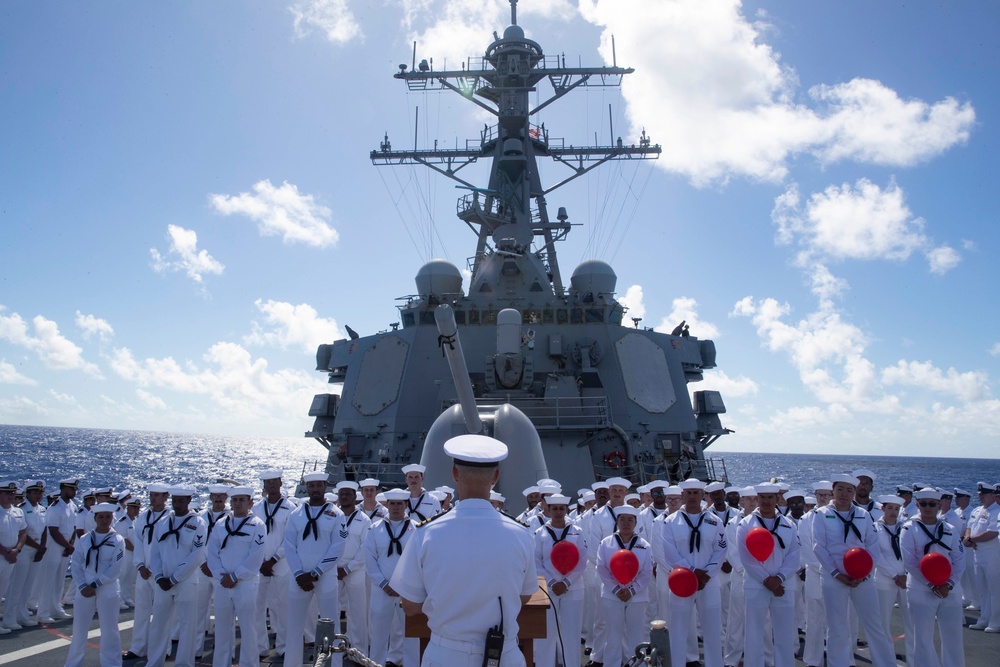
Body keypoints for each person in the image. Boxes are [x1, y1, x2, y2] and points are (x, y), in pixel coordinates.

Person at [392, 434, 538, 667]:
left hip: (445, 654)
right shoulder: (521, 533)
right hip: (503, 655)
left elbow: (409, 605)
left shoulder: (426, 533)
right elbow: (525, 594)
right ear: (495, 477)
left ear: (455, 474)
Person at [811, 474, 896, 667]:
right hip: (834, 577)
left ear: (854, 493)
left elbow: (873, 546)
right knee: (837, 627)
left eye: (849, 490)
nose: (844, 494)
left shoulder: (863, 515)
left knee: (874, 625)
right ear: (833, 490)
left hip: (862, 578)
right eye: (840, 489)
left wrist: (864, 573)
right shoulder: (821, 514)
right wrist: (836, 573)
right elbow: (819, 547)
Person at [661, 478, 728, 667]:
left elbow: (721, 548)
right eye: (688, 493)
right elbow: (669, 552)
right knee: (679, 628)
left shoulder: (714, 521)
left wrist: (706, 573)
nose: (692, 496)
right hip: (682, 580)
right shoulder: (670, 522)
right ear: (682, 495)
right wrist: (691, 572)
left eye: (695, 493)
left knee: (713, 628)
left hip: (709, 580)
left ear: (702, 495)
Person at [283, 471, 346, 667]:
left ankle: (334, 664)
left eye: (319, 485)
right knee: (294, 626)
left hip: (324, 576)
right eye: (312, 486)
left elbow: (338, 546)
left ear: (325, 487)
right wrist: (299, 573)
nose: (316, 489)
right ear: (308, 488)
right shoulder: (296, 514)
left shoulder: (337, 514)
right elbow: (289, 545)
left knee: (331, 624)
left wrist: (316, 572)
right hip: (299, 576)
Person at [901, 487, 966, 667]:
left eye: (932, 504)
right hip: (921, 589)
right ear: (917, 505)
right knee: (922, 637)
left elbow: (959, 559)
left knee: (953, 636)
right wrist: (932, 584)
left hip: (950, 589)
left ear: (939, 505)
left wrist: (949, 584)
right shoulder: (909, 528)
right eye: (923, 504)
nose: (927, 507)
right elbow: (910, 562)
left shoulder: (950, 529)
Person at [736, 484, 799, 667]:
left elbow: (794, 556)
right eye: (762, 497)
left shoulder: (789, 525)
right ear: (756, 499)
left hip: (783, 586)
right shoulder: (746, 524)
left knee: (784, 634)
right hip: (756, 585)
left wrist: (778, 579)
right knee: (754, 634)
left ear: (777, 499)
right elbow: (746, 558)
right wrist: (767, 580)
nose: (766, 501)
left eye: (770, 497)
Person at [146, 484, 208, 667]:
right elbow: (155, 552)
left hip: (185, 581)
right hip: (163, 581)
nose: (177, 504)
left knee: (187, 626)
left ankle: (184, 663)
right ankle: (154, 662)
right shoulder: (163, 522)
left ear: (189, 500)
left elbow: (196, 556)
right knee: (158, 624)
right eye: (175, 500)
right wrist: (158, 576)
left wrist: (175, 578)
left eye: (181, 500)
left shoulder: (198, 523)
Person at [206, 486, 266, 667]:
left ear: (250, 503)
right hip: (222, 583)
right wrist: (220, 575)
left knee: (248, 629)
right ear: (230, 502)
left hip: (245, 583)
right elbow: (212, 552)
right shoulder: (220, 524)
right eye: (235, 500)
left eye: (242, 500)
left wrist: (235, 576)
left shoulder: (258, 525)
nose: (237, 503)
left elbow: (256, 556)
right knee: (222, 629)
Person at [63, 502, 125, 667]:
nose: (105, 520)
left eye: (108, 517)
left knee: (109, 629)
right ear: (95, 518)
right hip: (84, 590)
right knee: (79, 629)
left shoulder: (117, 540)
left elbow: (115, 568)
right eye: (101, 517)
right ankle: (73, 663)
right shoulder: (85, 539)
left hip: (107, 589)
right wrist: (82, 585)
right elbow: (76, 563)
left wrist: (95, 585)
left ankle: (111, 663)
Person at [365, 488, 419, 667]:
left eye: (399, 504)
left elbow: (419, 560)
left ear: (406, 505)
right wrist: (384, 584)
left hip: (408, 590)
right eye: (392, 503)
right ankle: (376, 664)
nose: (396, 507)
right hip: (383, 589)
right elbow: (370, 560)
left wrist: (405, 585)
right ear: (387, 505)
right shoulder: (374, 529)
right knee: (379, 635)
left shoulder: (417, 529)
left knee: (411, 635)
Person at [534, 493, 588, 667]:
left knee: (571, 634)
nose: (558, 512)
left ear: (566, 510)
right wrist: (552, 583)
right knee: (547, 634)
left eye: (561, 508)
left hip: (572, 588)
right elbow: (536, 562)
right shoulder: (540, 533)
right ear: (548, 509)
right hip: (547, 590)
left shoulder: (577, 532)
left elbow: (582, 561)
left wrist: (565, 582)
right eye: (554, 508)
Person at [597, 504, 652, 667]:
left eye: (630, 520)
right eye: (622, 519)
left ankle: (637, 664)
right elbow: (601, 568)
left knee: (636, 635)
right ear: (617, 522)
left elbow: (646, 572)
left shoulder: (644, 545)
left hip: (637, 596)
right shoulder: (606, 543)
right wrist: (616, 589)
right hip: (611, 595)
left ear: (635, 523)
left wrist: (632, 590)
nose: (626, 523)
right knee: (613, 635)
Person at [123, 483, 171, 661]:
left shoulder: (170, 518)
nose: (153, 498)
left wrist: (159, 569)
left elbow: (170, 548)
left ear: (166, 497)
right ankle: (138, 647)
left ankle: (162, 649)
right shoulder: (142, 518)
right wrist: (140, 565)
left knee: (162, 612)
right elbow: (138, 544)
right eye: (151, 495)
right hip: (144, 572)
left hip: (161, 573)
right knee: (142, 610)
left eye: (157, 495)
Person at [252, 468, 295, 658]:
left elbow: (290, 539)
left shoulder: (291, 509)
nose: (271, 485)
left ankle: (283, 646)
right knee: (257, 608)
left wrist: (274, 559)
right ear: (264, 486)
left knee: (284, 607)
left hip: (282, 563)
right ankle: (260, 646)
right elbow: (252, 538)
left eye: (274, 482)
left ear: (280, 483)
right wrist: (262, 561)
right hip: (260, 565)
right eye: (268, 483)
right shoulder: (256, 509)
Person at [873, 495, 913, 663]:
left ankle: (914, 660)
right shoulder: (874, 528)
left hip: (906, 580)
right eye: (890, 508)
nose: (893, 512)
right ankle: (886, 661)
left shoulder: (906, 528)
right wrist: (895, 575)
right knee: (882, 623)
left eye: (896, 509)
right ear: (882, 509)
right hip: (884, 580)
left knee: (911, 623)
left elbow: (911, 553)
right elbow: (877, 555)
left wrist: (905, 575)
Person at [334, 480, 372, 655]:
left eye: (348, 494)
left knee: (357, 611)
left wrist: (347, 569)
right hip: (333, 570)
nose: (344, 497)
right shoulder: (332, 516)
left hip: (355, 570)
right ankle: (335, 646)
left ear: (355, 497)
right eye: (341, 494)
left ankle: (359, 649)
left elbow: (365, 548)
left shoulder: (364, 520)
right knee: (332, 610)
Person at [37, 477, 79, 624]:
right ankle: (43, 612)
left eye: (74, 489)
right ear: (63, 489)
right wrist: (67, 546)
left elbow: (74, 527)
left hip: (66, 546)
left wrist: (71, 544)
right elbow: (53, 530)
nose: (74, 491)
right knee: (48, 580)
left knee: (59, 580)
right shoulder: (55, 507)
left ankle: (56, 608)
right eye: (71, 489)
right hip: (54, 546)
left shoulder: (72, 506)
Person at [197, 484, 231, 658]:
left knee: (223, 613)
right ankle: (195, 649)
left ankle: (224, 651)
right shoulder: (200, 516)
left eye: (221, 496)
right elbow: (196, 543)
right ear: (210, 498)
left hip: (221, 570)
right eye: (215, 495)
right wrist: (204, 562)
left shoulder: (231, 518)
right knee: (198, 611)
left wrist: (216, 566)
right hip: (202, 568)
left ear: (226, 497)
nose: (218, 498)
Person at [5, 479, 43, 630]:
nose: (38, 495)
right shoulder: (22, 508)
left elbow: (44, 529)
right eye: (34, 492)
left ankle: (22, 616)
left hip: (36, 550)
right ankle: (9, 618)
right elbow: (24, 534)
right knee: (16, 586)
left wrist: (41, 548)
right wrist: (39, 547)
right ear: (27, 494)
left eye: (40, 492)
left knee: (28, 586)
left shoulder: (42, 509)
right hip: (24, 550)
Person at [963, 481, 1000, 631]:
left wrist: (971, 539)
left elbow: (992, 533)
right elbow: (969, 527)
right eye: (979, 494)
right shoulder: (977, 510)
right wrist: (967, 538)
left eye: (983, 494)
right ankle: (984, 620)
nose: (980, 497)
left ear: (992, 495)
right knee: (982, 589)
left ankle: (995, 622)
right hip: (977, 552)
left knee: (994, 590)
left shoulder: (997, 511)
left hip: (992, 553)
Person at [1, 480, 28, 634]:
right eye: (7, 493)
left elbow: (23, 532)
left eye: (13, 493)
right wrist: (6, 552)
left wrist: (17, 550)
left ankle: (6, 621)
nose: (11, 496)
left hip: (11, 555)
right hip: (2, 555)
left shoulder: (18, 511)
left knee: (2, 589)